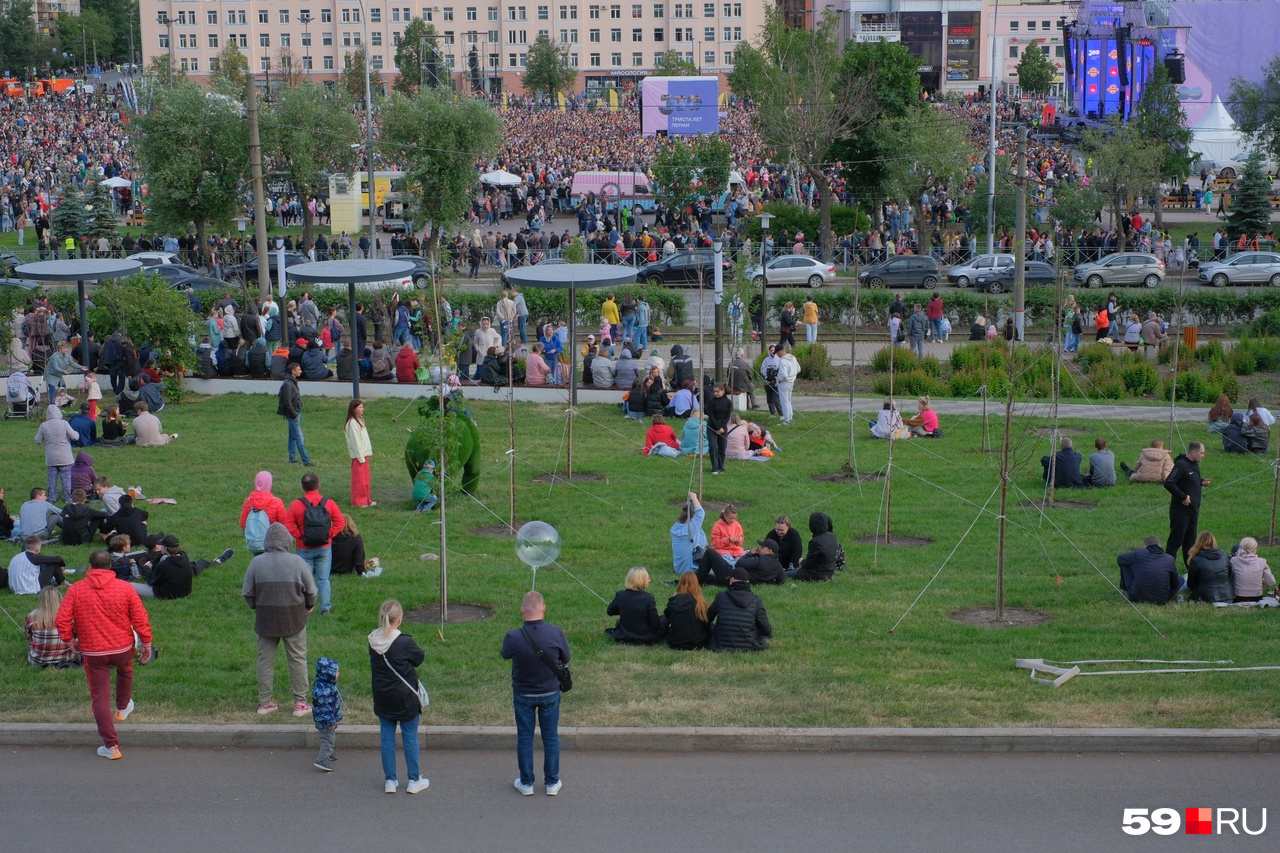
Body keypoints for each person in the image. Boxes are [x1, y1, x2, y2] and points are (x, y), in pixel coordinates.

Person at [55, 549, 153, 760]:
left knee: (100, 697)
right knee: (125, 672)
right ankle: (123, 706)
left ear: (90, 567)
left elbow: (62, 620)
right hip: (122, 648)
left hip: (93, 651)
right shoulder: (125, 588)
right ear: (110, 566)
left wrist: (70, 641)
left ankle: (111, 745)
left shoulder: (76, 590)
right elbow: (140, 618)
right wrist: (147, 642)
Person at [243, 522, 317, 716]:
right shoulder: (298, 562)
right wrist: (309, 605)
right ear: (287, 541)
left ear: (267, 541)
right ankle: (300, 703)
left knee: (265, 660)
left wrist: (256, 606)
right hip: (294, 618)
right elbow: (311, 591)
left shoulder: (256, 563)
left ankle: (264, 702)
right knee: (297, 659)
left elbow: (247, 593)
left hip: (265, 618)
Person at [500, 590, 569, 797]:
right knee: (550, 737)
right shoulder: (556, 632)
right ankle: (552, 782)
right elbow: (566, 657)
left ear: (522, 610)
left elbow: (505, 654)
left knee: (525, 738)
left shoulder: (513, 636)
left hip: (523, 694)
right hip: (549, 692)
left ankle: (526, 782)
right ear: (544, 608)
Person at [369, 599, 430, 793]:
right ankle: (413, 780)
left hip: (382, 696)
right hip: (405, 698)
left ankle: (390, 780)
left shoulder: (372, 640)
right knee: (410, 737)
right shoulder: (404, 641)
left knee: (386, 738)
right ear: (400, 618)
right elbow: (419, 658)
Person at [285, 473, 345, 616]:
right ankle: (326, 608)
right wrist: (328, 534)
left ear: (302, 487)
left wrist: (300, 535)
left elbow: (287, 524)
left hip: (304, 548)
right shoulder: (328, 503)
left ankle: (307, 608)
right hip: (324, 547)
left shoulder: (296, 505)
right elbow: (340, 522)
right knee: (323, 579)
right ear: (318, 485)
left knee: (305, 580)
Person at [1164, 441, 1209, 564]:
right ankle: (1167, 567)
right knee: (1176, 541)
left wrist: (1201, 482)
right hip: (1181, 511)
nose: (1203, 456)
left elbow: (1189, 480)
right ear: (1193, 453)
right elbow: (1168, 483)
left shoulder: (1194, 464)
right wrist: (1183, 496)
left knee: (1190, 542)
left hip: (1193, 510)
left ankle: (1191, 568)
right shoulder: (1181, 465)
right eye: (1201, 453)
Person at [708, 568, 771, 652]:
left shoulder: (721, 596)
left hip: (721, 644)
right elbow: (766, 630)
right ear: (747, 581)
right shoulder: (756, 600)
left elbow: (707, 618)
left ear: (732, 580)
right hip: (748, 645)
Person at [604, 566, 665, 645]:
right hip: (646, 637)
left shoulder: (620, 595)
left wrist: (626, 610)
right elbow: (655, 624)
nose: (649, 580)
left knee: (619, 622)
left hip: (624, 635)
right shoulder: (648, 598)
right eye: (647, 578)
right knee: (664, 618)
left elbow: (610, 611)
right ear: (641, 580)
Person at [26, 585, 80, 668]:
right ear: (60, 598)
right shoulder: (69, 615)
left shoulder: (32, 616)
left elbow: (28, 635)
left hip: (38, 660)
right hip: (67, 658)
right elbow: (78, 635)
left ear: (41, 600)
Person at [1117, 535, 1181, 604]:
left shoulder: (1138, 553)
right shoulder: (1169, 559)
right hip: (1162, 600)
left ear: (1145, 546)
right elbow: (1175, 584)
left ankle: (1124, 586)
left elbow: (1120, 558)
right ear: (1160, 545)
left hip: (1136, 597)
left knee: (1125, 563)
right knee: (1181, 579)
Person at [35, 404, 79, 503]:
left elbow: (37, 440)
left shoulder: (44, 425)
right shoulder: (64, 423)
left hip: (51, 458)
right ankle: (67, 498)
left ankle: (52, 497)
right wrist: (77, 434)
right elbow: (74, 437)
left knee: (52, 480)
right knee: (66, 479)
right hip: (65, 458)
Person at [240, 471, 289, 555]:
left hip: (256, 541)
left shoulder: (249, 501)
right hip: (273, 541)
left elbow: (243, 523)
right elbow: (284, 523)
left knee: (258, 564)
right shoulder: (276, 502)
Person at [661, 571, 711, 650]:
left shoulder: (673, 601)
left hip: (675, 643)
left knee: (662, 618)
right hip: (698, 643)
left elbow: (667, 616)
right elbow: (705, 623)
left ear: (680, 583)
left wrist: (673, 597)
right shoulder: (700, 603)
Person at [277, 362, 313, 466]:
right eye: (298, 369)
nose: (301, 371)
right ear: (293, 372)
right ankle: (306, 461)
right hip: (293, 414)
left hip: (295, 413)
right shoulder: (288, 384)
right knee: (299, 438)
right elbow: (286, 402)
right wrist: (294, 415)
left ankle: (292, 458)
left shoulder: (291, 382)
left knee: (292, 437)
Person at [311, 656, 343, 772]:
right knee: (328, 738)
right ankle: (321, 760)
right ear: (328, 673)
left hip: (322, 718)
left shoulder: (324, 684)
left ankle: (330, 752)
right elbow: (325, 708)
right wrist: (330, 721)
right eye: (336, 672)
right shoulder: (325, 690)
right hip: (325, 720)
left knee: (328, 737)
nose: (338, 674)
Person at [785, 512, 838, 582]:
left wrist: (801, 562)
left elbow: (809, 563)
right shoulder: (831, 536)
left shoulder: (816, 542)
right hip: (829, 572)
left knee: (785, 574)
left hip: (816, 574)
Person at [1186, 531, 1232, 604]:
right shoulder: (1224, 555)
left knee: (1184, 580)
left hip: (1205, 598)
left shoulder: (1196, 560)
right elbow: (1230, 575)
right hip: (1227, 597)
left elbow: (1191, 583)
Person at [345, 399, 375, 508]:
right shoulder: (352, 423)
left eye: (362, 407)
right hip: (359, 456)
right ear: (354, 409)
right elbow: (355, 441)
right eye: (360, 407)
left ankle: (367, 499)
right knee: (359, 480)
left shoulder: (360, 420)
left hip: (364, 454)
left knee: (365, 479)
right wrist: (360, 456)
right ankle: (358, 502)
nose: (362, 409)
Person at [670, 492, 708, 575]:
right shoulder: (688, 530)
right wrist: (694, 498)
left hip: (679, 567)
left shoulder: (675, 528)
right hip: (689, 569)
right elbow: (700, 514)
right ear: (689, 520)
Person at [705, 383, 733, 474]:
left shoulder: (728, 402)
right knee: (713, 446)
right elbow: (711, 416)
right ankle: (715, 467)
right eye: (715, 392)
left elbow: (728, 416)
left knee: (722, 447)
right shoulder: (711, 402)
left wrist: (722, 427)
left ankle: (721, 466)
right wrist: (717, 427)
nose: (716, 393)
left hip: (723, 426)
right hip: (712, 425)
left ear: (723, 391)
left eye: (718, 391)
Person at [776, 344, 800, 426]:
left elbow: (783, 375)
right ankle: (790, 417)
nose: (777, 355)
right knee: (789, 400)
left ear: (780, 352)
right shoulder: (792, 357)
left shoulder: (783, 361)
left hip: (784, 383)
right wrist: (792, 375)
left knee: (784, 401)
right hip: (791, 381)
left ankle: (786, 420)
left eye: (777, 353)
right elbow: (798, 369)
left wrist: (779, 379)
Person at [761, 344, 781, 416]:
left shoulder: (779, 359)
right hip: (768, 381)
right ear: (769, 351)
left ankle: (781, 414)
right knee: (769, 399)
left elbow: (781, 370)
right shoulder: (766, 360)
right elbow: (762, 369)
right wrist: (767, 371)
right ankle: (772, 413)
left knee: (776, 399)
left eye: (774, 350)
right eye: (771, 350)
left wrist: (775, 372)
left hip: (776, 381)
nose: (773, 352)